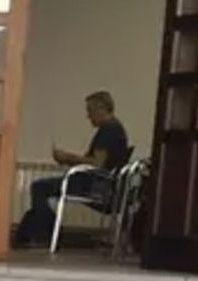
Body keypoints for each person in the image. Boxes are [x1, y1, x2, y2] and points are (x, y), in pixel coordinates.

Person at [15, 90, 129, 246]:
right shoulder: (117, 129)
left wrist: (68, 157)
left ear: (101, 109)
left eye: (90, 110)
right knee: (41, 189)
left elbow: (96, 165)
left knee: (39, 188)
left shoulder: (108, 131)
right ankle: (45, 229)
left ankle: (46, 232)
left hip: (94, 186)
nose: (88, 116)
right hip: (103, 184)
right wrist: (70, 161)